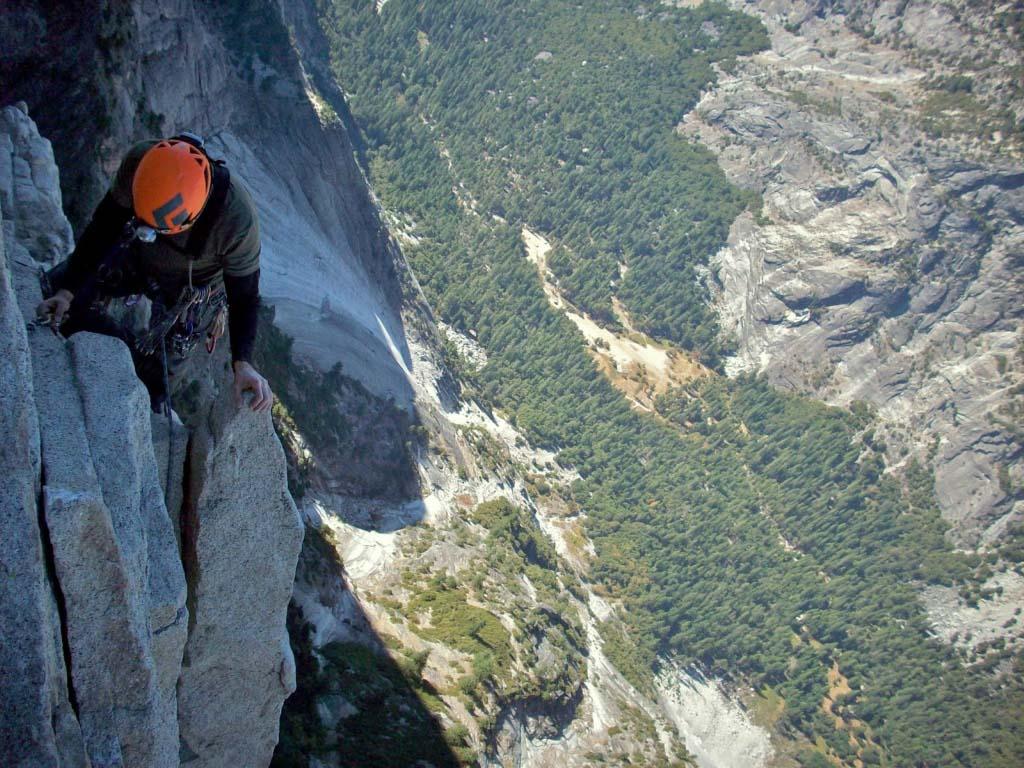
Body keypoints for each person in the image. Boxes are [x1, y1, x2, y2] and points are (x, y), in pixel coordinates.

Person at [36, 134, 273, 413]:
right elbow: (104, 227)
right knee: (54, 294)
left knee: (155, 387)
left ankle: (133, 362)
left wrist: (242, 362)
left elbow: (244, 297)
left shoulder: (237, 221)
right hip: (136, 252)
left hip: (192, 289)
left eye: (157, 228)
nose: (153, 233)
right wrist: (68, 290)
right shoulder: (141, 164)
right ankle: (118, 344)